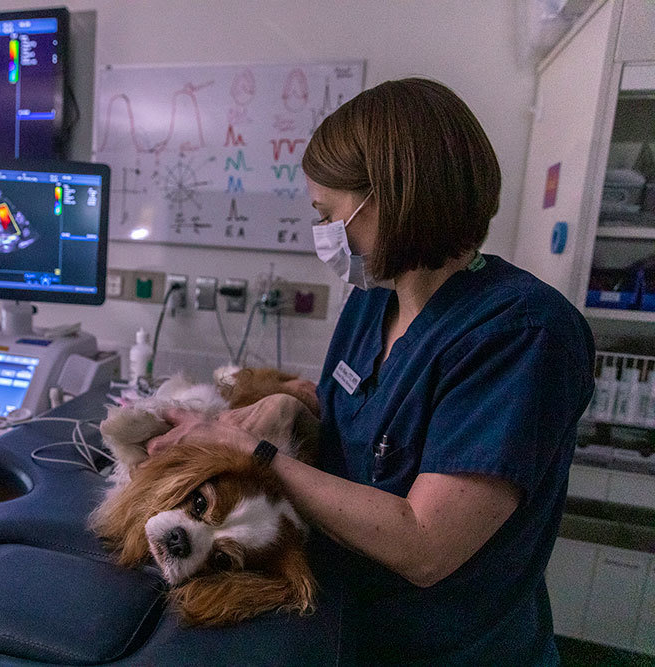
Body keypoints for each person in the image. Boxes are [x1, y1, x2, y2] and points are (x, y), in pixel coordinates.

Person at [149, 79, 594, 665]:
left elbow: (425, 544)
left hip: (446, 649)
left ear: (393, 197)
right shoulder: (373, 301)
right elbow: (357, 437)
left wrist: (254, 452)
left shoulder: (522, 335)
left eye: (328, 214)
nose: (325, 236)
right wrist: (294, 409)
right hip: (340, 623)